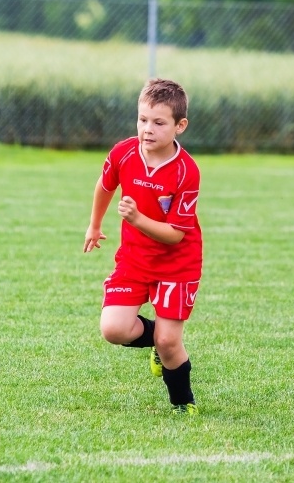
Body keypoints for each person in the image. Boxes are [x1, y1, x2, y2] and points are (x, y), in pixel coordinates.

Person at [83, 78, 202, 414]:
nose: (147, 129)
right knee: (113, 329)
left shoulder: (186, 172)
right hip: (135, 260)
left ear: (180, 126)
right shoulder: (124, 152)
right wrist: (95, 225)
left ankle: (183, 402)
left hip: (178, 263)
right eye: (142, 120)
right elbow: (105, 185)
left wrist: (137, 220)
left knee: (169, 342)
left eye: (159, 123)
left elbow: (176, 234)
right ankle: (162, 341)